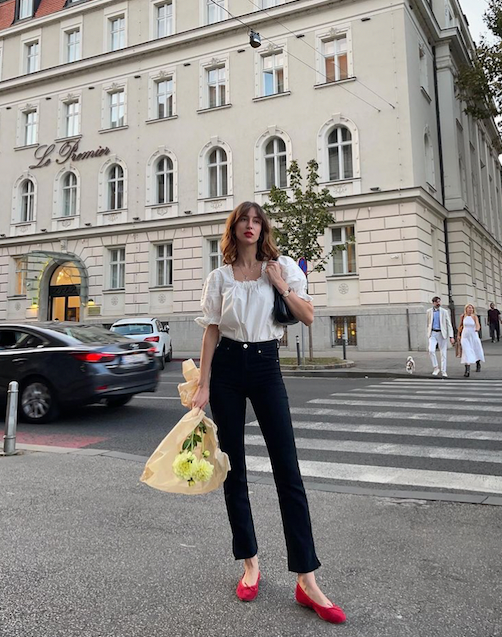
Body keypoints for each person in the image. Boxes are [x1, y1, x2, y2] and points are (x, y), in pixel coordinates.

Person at [192, 201, 346, 624]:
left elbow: (308, 316)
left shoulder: (281, 268)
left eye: (257, 220)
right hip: (226, 370)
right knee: (233, 469)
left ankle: (307, 578)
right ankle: (250, 564)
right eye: (243, 220)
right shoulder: (219, 277)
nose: (250, 226)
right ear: (234, 228)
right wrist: (203, 384)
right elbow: (211, 332)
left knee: (287, 470)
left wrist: (279, 284)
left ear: (263, 228)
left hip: (265, 366)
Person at [426, 296, 455, 377]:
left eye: (439, 301)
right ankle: (436, 367)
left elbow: (449, 324)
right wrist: (428, 331)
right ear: (433, 303)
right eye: (436, 302)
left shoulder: (444, 312)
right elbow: (428, 322)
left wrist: (451, 336)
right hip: (433, 333)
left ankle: (443, 371)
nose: (438, 303)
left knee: (443, 353)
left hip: (442, 333)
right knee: (431, 350)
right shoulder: (429, 311)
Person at [457, 303, 485, 377]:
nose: (470, 309)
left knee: (476, 349)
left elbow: (477, 324)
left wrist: (477, 329)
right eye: (469, 308)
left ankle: (478, 363)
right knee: (467, 351)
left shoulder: (474, 317)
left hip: (473, 335)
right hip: (465, 336)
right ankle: (467, 369)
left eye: (471, 308)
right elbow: (460, 326)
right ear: (466, 309)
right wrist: (458, 335)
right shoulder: (463, 316)